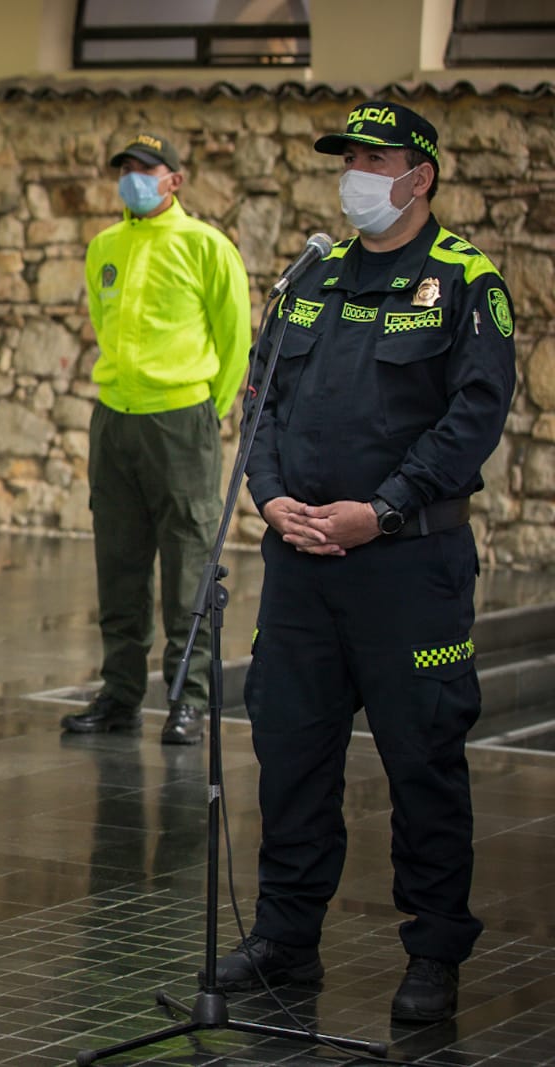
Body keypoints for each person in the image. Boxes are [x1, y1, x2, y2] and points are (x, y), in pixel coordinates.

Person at [221, 101, 516, 1023]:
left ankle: (433, 948)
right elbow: (258, 403)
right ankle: (284, 937)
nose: (355, 173)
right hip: (301, 564)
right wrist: (270, 498)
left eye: (372, 158)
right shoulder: (312, 275)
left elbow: (471, 420)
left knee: (423, 756)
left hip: (407, 572)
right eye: (347, 158)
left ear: (419, 174)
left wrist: (380, 514)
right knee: (291, 754)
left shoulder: (467, 281)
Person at [62, 132, 251, 746]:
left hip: (181, 420)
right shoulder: (105, 247)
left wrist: (206, 412)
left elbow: (235, 340)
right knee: (118, 566)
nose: (133, 179)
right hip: (114, 418)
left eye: (146, 169)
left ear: (175, 180)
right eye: (126, 169)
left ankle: (188, 699)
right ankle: (119, 695)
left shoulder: (207, 246)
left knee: (188, 566)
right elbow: (100, 317)